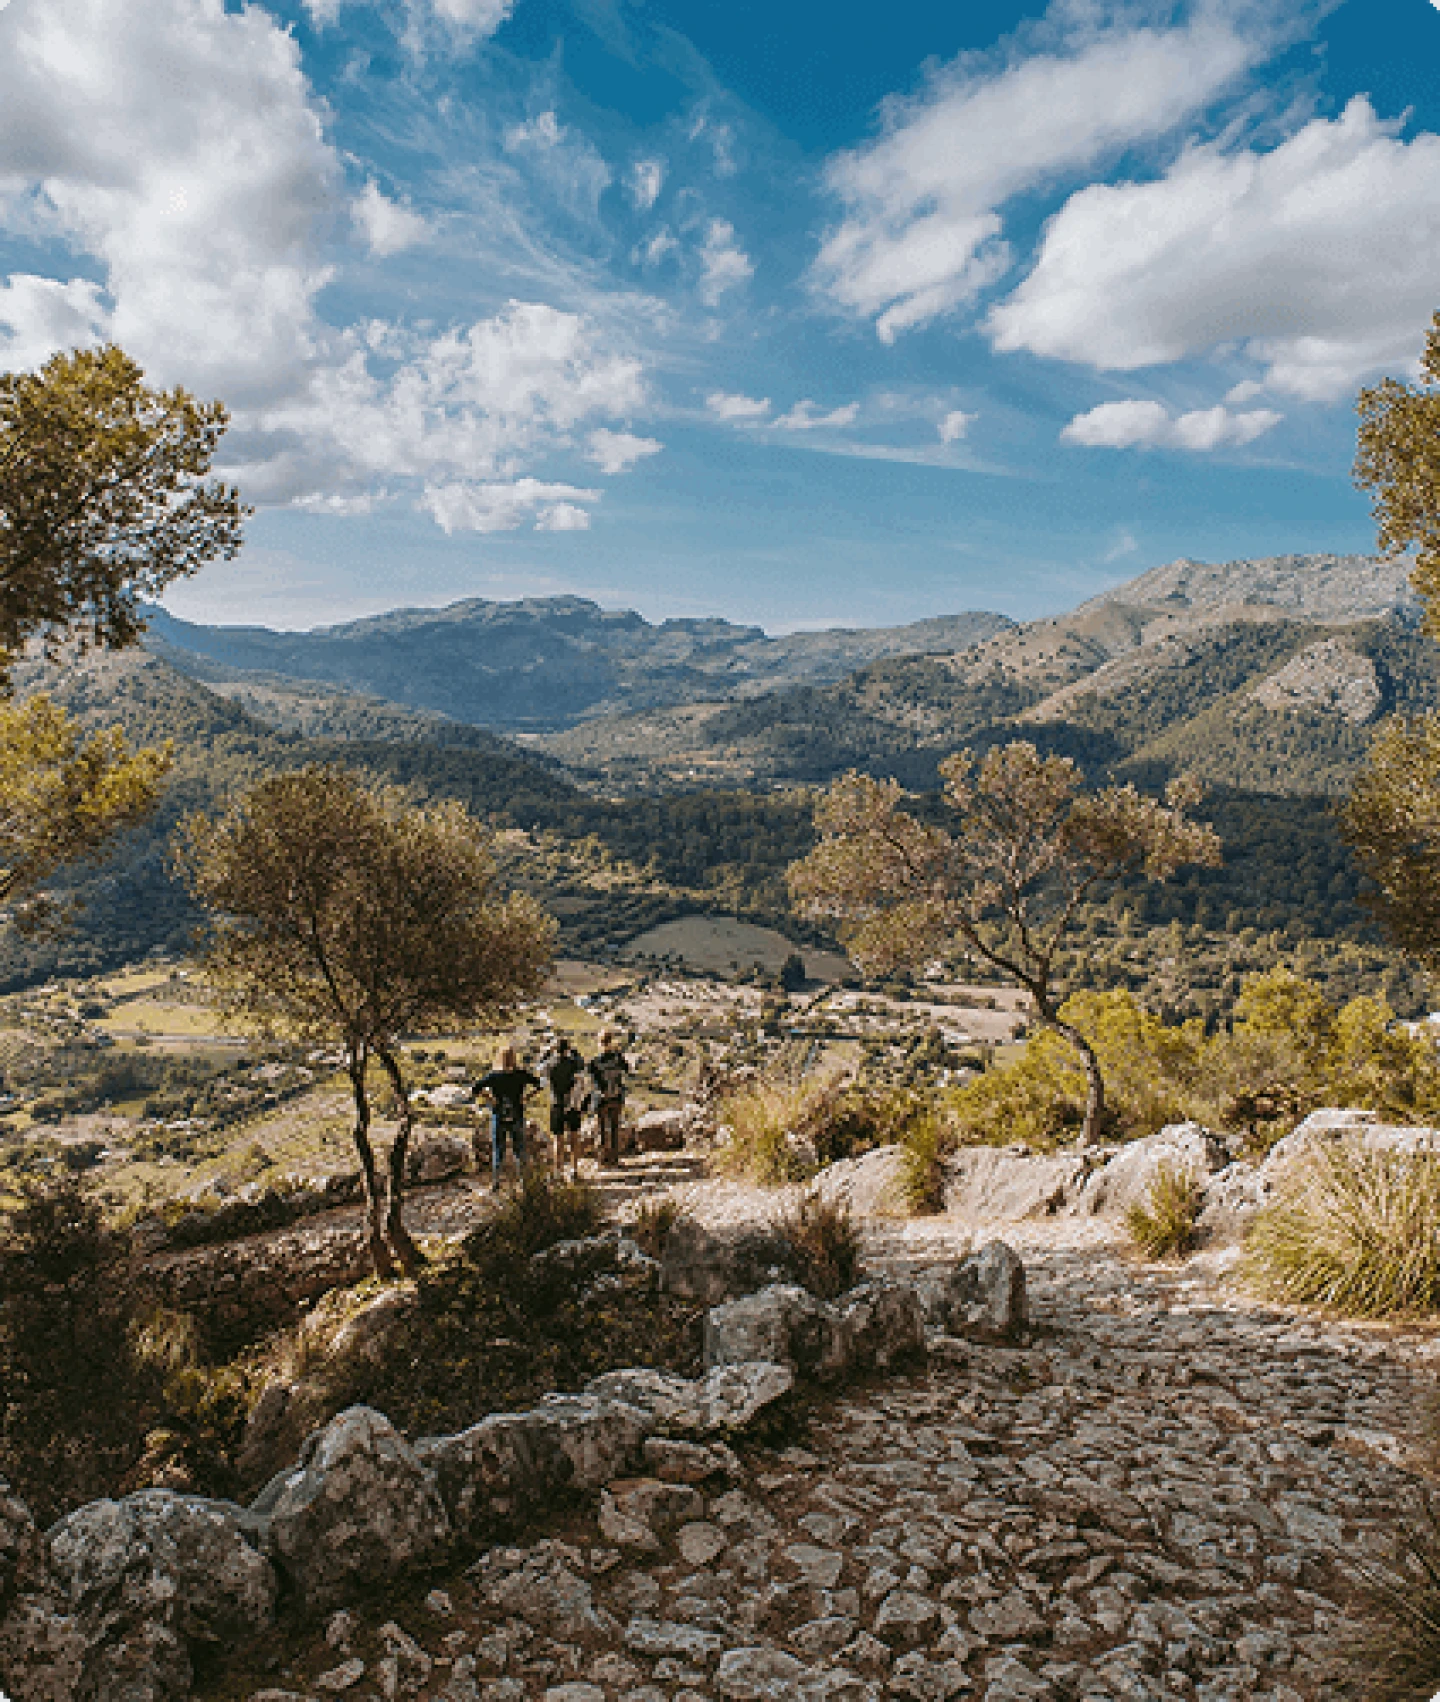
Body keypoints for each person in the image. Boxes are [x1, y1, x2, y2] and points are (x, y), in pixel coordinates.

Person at [474, 1043, 540, 1191]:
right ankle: (524, 1183)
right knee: (519, 1150)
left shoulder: (494, 1076)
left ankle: (496, 1183)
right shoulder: (521, 1074)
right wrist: (527, 1097)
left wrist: (490, 1098)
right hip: (517, 1115)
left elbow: (475, 1088)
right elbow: (540, 1084)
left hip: (499, 1115)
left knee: (499, 1150)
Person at [541, 1035, 585, 1180]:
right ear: (567, 1049)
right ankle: (574, 1169)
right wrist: (575, 1052)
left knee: (557, 1139)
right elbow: (582, 1064)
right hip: (572, 1104)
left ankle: (558, 1171)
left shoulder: (550, 1064)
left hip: (557, 1104)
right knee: (574, 1137)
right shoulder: (573, 1063)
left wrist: (547, 1052)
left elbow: (539, 1068)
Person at [588, 1029, 630, 1168]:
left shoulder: (595, 1061)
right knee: (614, 1128)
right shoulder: (617, 1057)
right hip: (616, 1096)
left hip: (602, 1098)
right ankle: (614, 1159)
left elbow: (593, 1080)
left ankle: (602, 1159)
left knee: (601, 1129)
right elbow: (627, 1069)